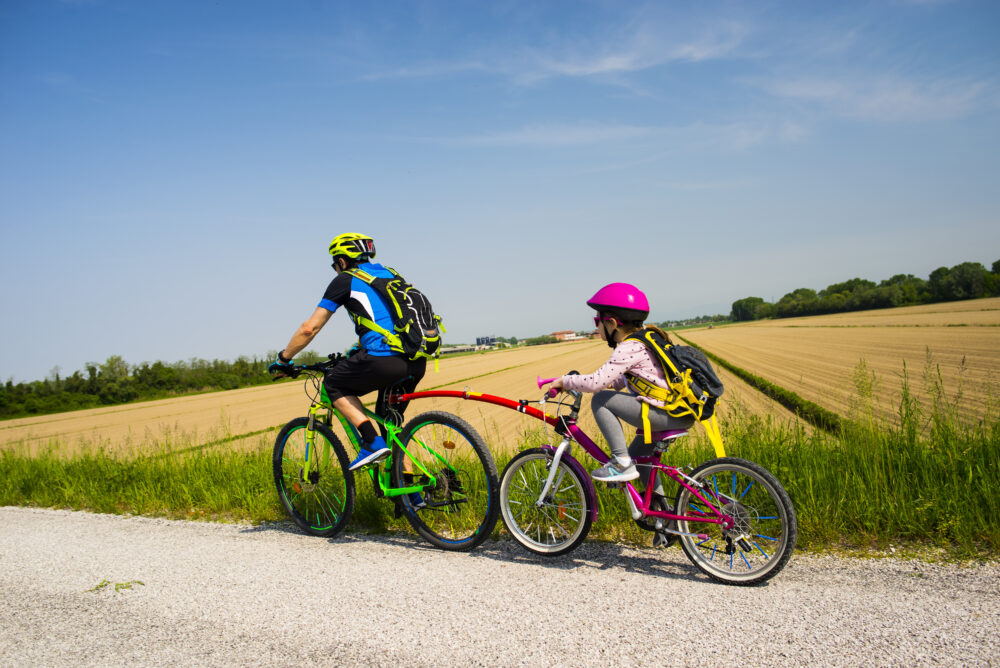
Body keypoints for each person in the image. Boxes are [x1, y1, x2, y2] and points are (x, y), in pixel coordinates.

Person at [268, 233, 427, 475]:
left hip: (384, 361)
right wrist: (358, 348)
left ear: (342, 261)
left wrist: (283, 359)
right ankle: (411, 497)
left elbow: (310, 328)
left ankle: (371, 442)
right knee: (390, 425)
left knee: (334, 384)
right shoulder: (390, 274)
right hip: (416, 361)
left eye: (335, 264)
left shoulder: (346, 280)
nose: (335, 269)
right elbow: (388, 321)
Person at [549, 283, 695, 485]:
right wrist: (606, 383)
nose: (596, 326)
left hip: (664, 414)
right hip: (676, 412)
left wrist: (564, 381)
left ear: (612, 323)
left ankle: (620, 462)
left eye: (597, 320)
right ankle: (660, 515)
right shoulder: (645, 340)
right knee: (640, 462)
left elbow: (595, 383)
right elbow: (624, 378)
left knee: (600, 400)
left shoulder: (628, 347)